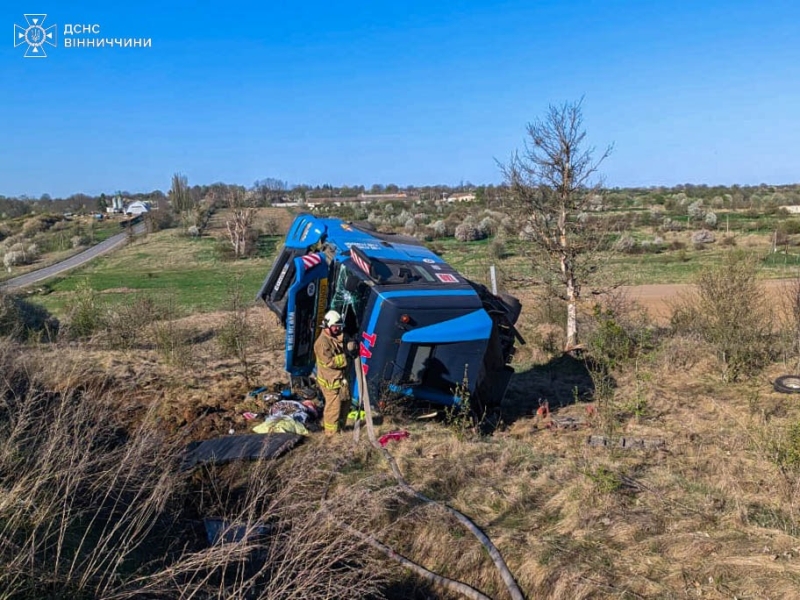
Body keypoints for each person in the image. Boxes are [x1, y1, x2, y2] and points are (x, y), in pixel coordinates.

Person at [314, 310, 354, 435]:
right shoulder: (321, 343)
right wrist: (347, 355)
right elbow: (330, 362)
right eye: (336, 326)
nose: (338, 329)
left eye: (339, 326)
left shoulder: (336, 335)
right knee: (334, 408)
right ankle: (331, 435)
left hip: (341, 380)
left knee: (345, 404)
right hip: (330, 382)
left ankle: (341, 429)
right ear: (327, 326)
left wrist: (352, 343)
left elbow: (343, 340)